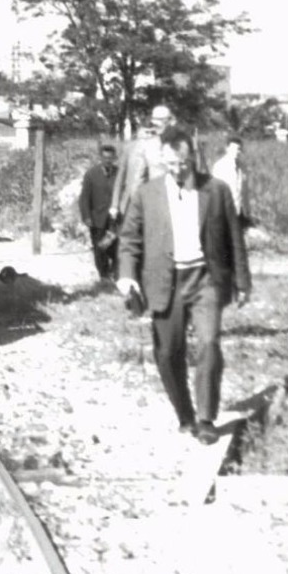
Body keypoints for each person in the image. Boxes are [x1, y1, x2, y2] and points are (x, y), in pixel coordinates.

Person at [116, 127, 251, 445]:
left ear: (192, 158)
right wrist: (126, 275)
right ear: (162, 159)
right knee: (168, 353)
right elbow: (129, 239)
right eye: (171, 165)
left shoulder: (216, 191)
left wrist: (243, 282)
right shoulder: (146, 194)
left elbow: (234, 239)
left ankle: (206, 418)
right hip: (166, 282)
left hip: (205, 280)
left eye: (183, 164)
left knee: (210, 344)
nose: (177, 170)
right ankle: (185, 414)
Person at [111, 104, 176, 222]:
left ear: (170, 122)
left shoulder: (173, 146)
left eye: (161, 122)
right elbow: (122, 177)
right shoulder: (132, 147)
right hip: (133, 204)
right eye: (154, 122)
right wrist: (115, 205)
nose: (154, 127)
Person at [78, 144, 120, 282]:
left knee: (116, 247)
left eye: (110, 158)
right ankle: (104, 276)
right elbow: (85, 197)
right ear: (100, 158)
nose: (108, 160)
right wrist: (86, 216)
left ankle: (115, 273)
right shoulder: (91, 174)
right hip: (98, 218)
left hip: (115, 219)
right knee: (100, 247)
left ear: (114, 158)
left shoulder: (119, 173)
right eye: (105, 157)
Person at [211, 135, 254, 231]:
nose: (236, 152)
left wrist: (247, 212)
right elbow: (216, 192)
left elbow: (245, 191)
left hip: (241, 212)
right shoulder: (219, 167)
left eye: (239, 149)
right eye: (233, 149)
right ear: (227, 149)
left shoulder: (243, 167)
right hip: (225, 213)